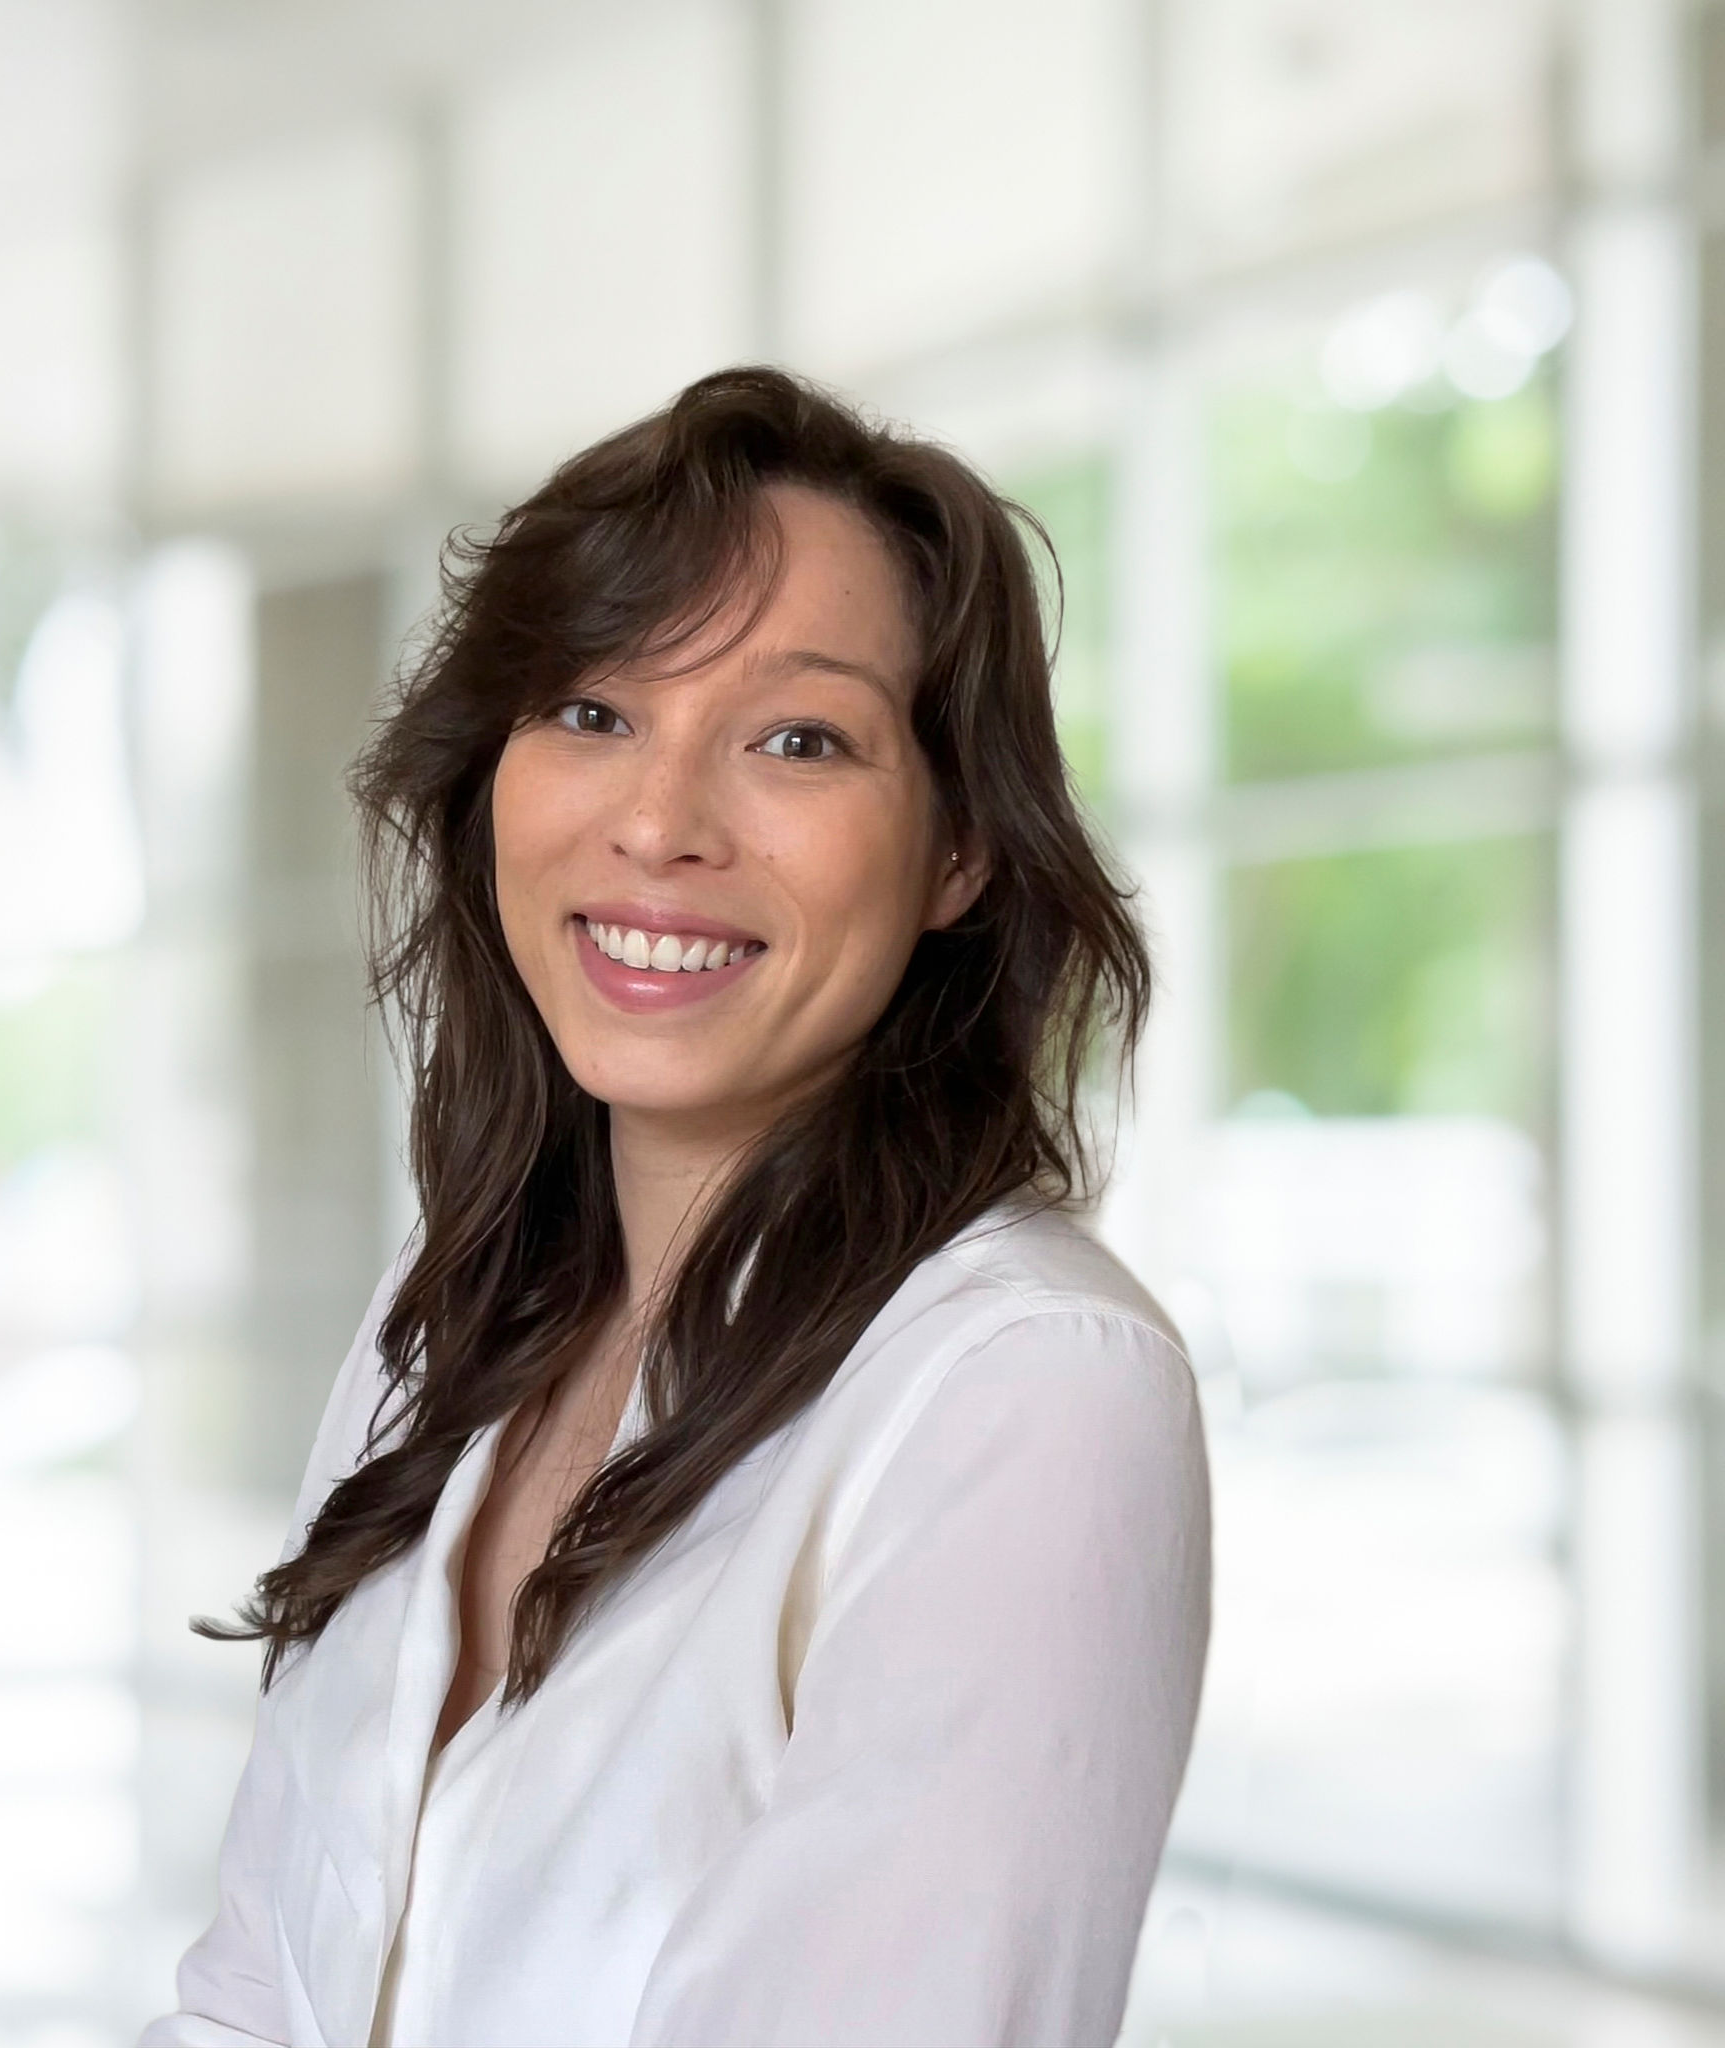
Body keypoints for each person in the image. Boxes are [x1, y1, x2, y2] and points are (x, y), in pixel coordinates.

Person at [140, 366, 1211, 2048]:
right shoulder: (451, 1317)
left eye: (797, 738)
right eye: (590, 709)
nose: (656, 820)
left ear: (957, 854)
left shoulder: (1027, 1389)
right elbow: (254, 1996)